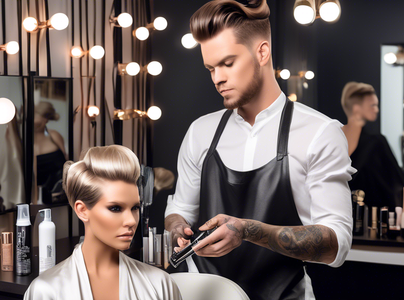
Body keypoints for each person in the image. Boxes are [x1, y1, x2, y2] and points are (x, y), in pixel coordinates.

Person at [164, 1, 355, 299]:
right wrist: (179, 230)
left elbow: (336, 244)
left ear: (262, 52)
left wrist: (248, 230)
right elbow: (180, 211)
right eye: (211, 68)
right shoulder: (200, 132)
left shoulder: (319, 132)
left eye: (228, 63)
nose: (217, 78)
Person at [24, 145, 182, 300]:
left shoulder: (160, 285)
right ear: (82, 210)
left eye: (135, 207)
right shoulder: (46, 291)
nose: (131, 220)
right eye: (115, 208)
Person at [341, 81, 404, 209]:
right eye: (372, 105)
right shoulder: (334, 136)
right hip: (335, 214)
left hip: (368, 217)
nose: (376, 110)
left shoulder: (375, 143)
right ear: (356, 108)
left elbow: (396, 181)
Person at [34, 101, 67, 203]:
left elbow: (66, 160)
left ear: (46, 120)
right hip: (37, 197)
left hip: (59, 193)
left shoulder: (54, 136)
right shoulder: (24, 140)